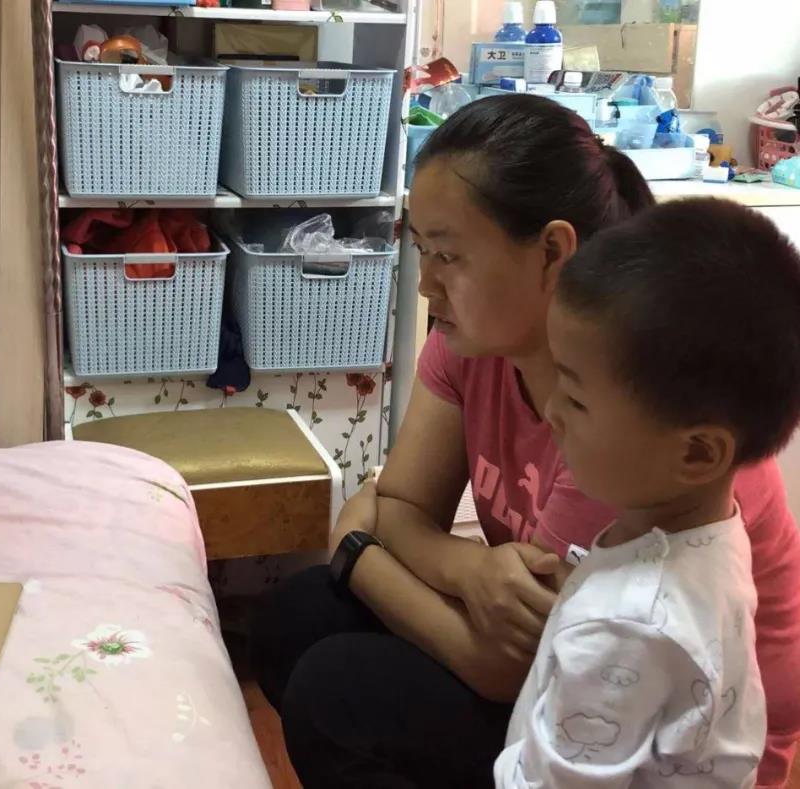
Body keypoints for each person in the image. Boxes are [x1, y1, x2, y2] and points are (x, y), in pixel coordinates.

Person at [249, 94, 800, 788]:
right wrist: (465, 569)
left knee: (338, 688)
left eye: (449, 255)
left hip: (641, 726)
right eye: (421, 252)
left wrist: (356, 545)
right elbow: (403, 506)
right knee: (300, 615)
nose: (426, 283)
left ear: (551, 252)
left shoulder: (640, 424)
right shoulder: (492, 351)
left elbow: (504, 663)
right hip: (584, 680)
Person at [495, 197, 800, 786]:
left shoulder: (627, 624)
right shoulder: (715, 531)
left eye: (576, 398)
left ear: (697, 454)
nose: (552, 411)